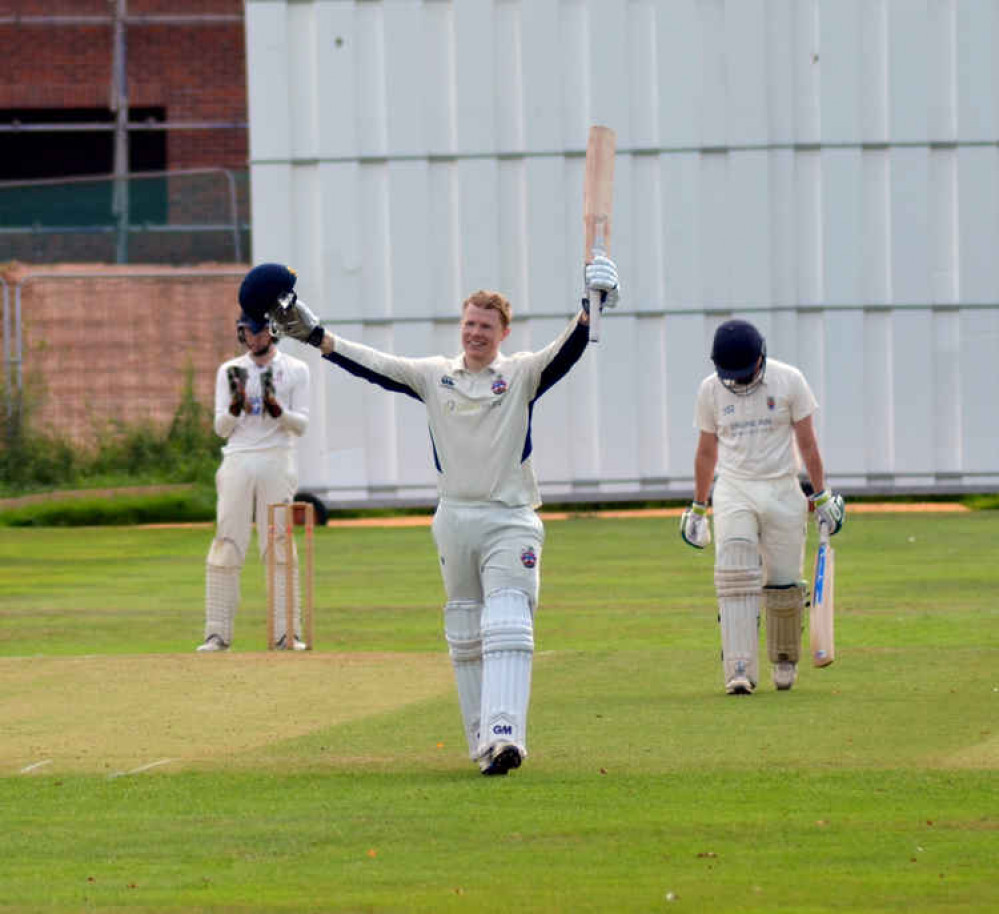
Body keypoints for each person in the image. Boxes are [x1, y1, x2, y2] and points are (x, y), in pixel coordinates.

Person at [262, 255, 620, 775]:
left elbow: (567, 351)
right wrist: (318, 336)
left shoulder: (520, 374)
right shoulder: (435, 376)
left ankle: (505, 735)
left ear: (503, 332)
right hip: (454, 517)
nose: (476, 333)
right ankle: (482, 743)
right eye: (470, 323)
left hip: (509, 516)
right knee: (464, 628)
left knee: (507, 622)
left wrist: (591, 307)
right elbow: (374, 364)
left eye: (486, 326)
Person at [680, 319, 844, 694]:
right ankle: (739, 668)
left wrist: (821, 497)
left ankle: (785, 659)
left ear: (761, 358)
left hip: (783, 487)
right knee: (735, 570)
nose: (737, 381)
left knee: (784, 582)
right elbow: (706, 452)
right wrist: (698, 507)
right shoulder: (710, 390)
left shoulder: (789, 380)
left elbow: (808, 444)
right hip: (734, 488)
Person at [197, 264, 311, 653]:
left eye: (259, 329)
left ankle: (286, 633)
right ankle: (217, 633)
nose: (253, 336)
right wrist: (233, 408)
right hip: (238, 460)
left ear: (272, 331)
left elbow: (302, 425)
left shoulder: (296, 369)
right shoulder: (229, 372)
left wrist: (279, 412)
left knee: (279, 542)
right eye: (247, 329)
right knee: (228, 541)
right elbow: (220, 428)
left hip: (277, 459)